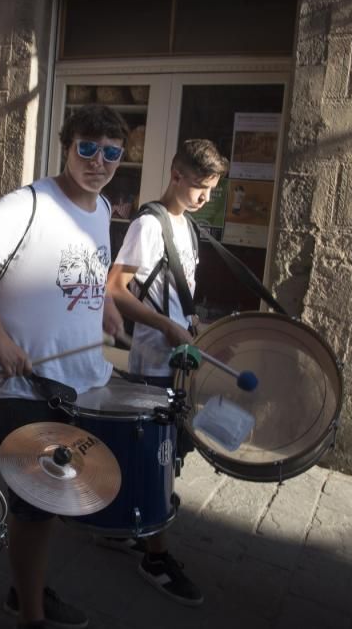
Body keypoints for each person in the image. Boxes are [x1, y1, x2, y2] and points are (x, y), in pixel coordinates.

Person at [0, 104, 127, 629]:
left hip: (79, 381)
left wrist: (106, 306)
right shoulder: (30, 202)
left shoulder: (102, 208)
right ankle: (31, 614)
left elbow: (89, 271)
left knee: (49, 500)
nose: (98, 161)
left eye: (111, 152)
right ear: (67, 147)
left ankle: (24, 590)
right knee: (36, 505)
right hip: (23, 383)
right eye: (86, 148)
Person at [103, 139, 229, 606]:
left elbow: (177, 292)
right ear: (176, 175)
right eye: (198, 186)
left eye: (211, 189)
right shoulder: (148, 225)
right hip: (154, 360)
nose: (204, 197)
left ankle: (123, 525)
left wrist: (194, 326)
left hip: (178, 359)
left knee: (166, 452)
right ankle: (154, 556)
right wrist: (166, 327)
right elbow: (115, 288)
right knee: (160, 460)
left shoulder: (187, 225)